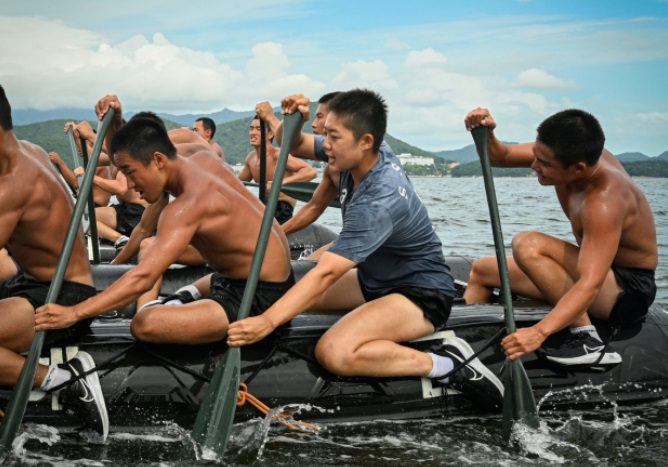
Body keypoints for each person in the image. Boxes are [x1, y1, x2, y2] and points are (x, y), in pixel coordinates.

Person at [228, 90, 504, 407]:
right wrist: (293, 122)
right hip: (374, 281)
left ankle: (447, 364)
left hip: (420, 293)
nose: (325, 143)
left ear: (365, 141)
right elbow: (298, 143)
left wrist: (268, 323)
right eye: (325, 133)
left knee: (334, 351)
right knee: (278, 291)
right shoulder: (359, 152)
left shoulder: (380, 198)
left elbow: (328, 272)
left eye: (333, 136)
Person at [35, 95, 294, 350]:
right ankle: (183, 299)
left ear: (158, 160)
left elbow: (143, 278)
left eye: (130, 174)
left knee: (144, 324)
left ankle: (174, 306)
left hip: (259, 296)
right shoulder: (195, 151)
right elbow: (131, 151)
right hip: (239, 276)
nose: (131, 186)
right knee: (193, 274)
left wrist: (74, 313)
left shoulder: (187, 206)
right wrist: (117, 125)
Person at [463, 107, 658, 366]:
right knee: (482, 270)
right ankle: (466, 354)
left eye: (544, 164)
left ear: (578, 168)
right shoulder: (563, 152)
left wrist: (539, 332)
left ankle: (587, 339)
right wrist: (487, 132)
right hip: (598, 274)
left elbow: (590, 284)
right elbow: (501, 156)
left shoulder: (604, 202)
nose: (534, 166)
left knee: (528, 244)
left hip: (626, 291)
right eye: (535, 156)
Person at [0, 85, 108, 439]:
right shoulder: (27, 151)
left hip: (64, 298)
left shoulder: (12, 186)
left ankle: (65, 381)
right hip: (37, 283)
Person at [257, 92, 343, 237]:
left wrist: (282, 183)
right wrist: (295, 119)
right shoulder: (333, 160)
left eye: (320, 117)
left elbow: (310, 172)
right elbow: (314, 207)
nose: (314, 124)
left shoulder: (381, 175)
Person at [238, 114, 317, 224]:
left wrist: (279, 183)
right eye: (251, 129)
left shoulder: (278, 155)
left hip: (281, 207)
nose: (253, 133)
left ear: (270, 134)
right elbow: (238, 183)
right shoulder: (251, 158)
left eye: (258, 129)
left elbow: (310, 172)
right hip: (262, 204)